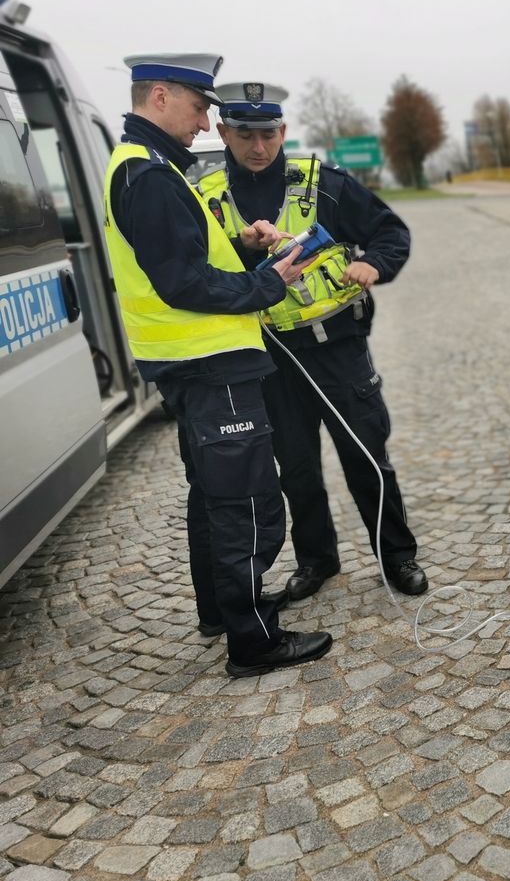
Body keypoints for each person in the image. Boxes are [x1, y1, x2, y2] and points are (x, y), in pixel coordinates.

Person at [102, 54, 333, 678]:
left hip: (193, 362)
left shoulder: (148, 168)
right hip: (210, 363)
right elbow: (183, 283)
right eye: (200, 106)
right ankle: (253, 640)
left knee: (210, 496)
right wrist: (269, 284)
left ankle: (219, 613)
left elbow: (188, 257)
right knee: (246, 502)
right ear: (158, 97)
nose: (207, 123)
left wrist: (243, 247)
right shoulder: (149, 175)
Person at [198, 82, 428, 603]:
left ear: (283, 131)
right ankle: (316, 561)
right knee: (296, 469)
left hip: (338, 347)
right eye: (245, 135)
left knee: (367, 457)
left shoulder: (323, 184)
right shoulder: (208, 199)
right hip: (270, 357)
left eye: (268, 134)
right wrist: (240, 245)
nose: (258, 147)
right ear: (223, 132)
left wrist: (375, 264)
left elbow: (392, 232)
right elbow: (197, 269)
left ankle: (396, 556)